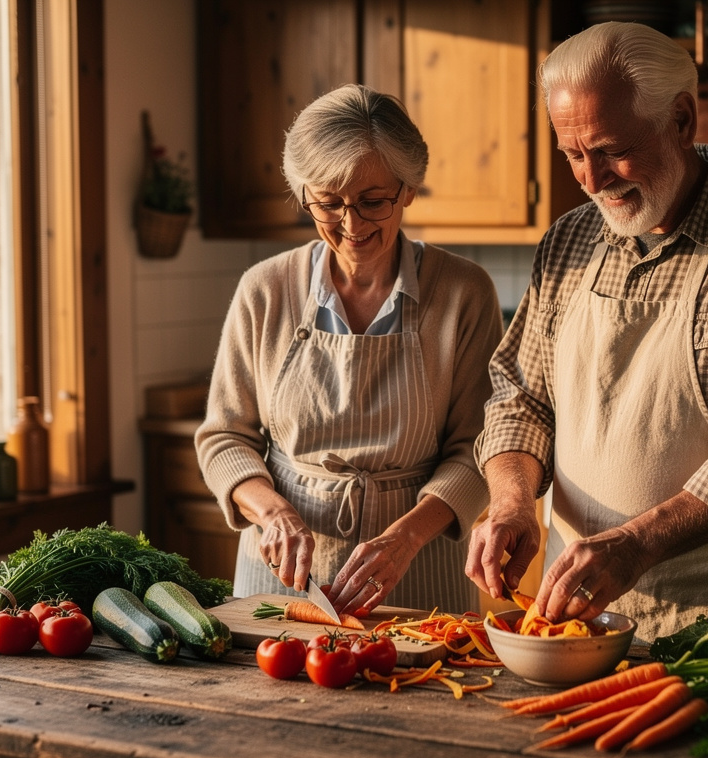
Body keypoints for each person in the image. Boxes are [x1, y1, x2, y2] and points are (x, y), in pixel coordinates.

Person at [465, 22, 708, 641]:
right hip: (578, 621)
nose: (591, 180)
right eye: (573, 154)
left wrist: (636, 543)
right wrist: (512, 502)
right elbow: (521, 397)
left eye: (612, 149)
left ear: (682, 120)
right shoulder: (568, 241)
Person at [197, 84, 503, 616]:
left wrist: (406, 537)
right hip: (286, 581)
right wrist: (272, 514)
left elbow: (478, 449)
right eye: (328, 203)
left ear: (408, 189)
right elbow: (225, 438)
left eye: (372, 201)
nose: (352, 224)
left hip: (420, 573)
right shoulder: (264, 289)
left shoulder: (463, 292)